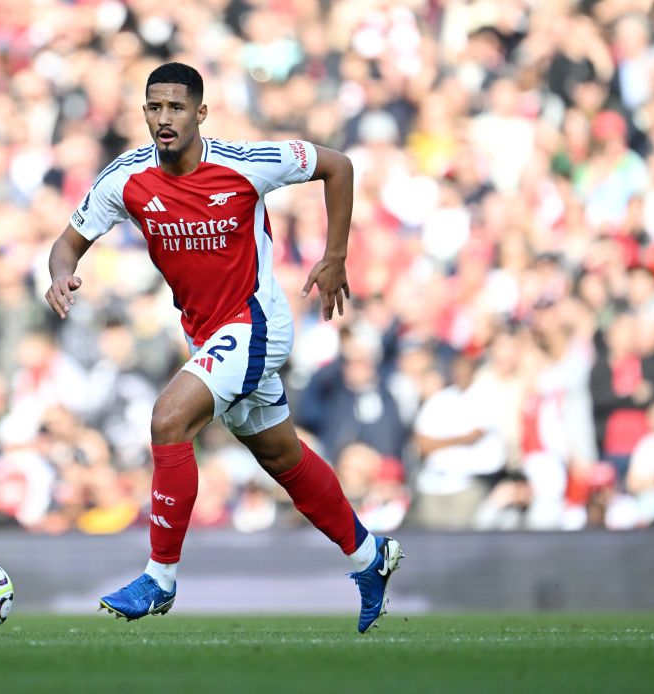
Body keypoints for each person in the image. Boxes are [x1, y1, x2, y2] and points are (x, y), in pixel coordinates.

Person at [44, 63, 403, 633]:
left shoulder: (244, 164)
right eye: (155, 108)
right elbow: (66, 246)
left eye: (177, 108)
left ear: (200, 114)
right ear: (144, 113)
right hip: (205, 331)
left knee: (168, 419)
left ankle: (159, 578)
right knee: (280, 456)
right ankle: (369, 557)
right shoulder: (125, 179)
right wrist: (61, 275)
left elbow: (338, 165)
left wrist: (335, 256)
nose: (165, 119)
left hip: (256, 321)